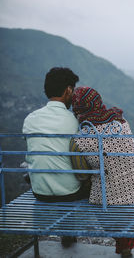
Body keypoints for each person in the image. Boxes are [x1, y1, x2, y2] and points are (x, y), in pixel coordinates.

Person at [70, 86, 134, 258]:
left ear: (77, 109)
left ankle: (122, 242)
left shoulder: (79, 139)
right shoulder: (121, 122)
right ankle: (125, 244)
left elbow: (81, 175)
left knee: (102, 189)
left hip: (105, 201)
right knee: (124, 197)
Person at [22, 67, 89, 247]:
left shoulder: (30, 119)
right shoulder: (74, 120)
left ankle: (66, 234)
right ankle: (68, 233)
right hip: (69, 193)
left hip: (40, 191)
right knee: (82, 177)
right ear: (68, 90)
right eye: (73, 90)